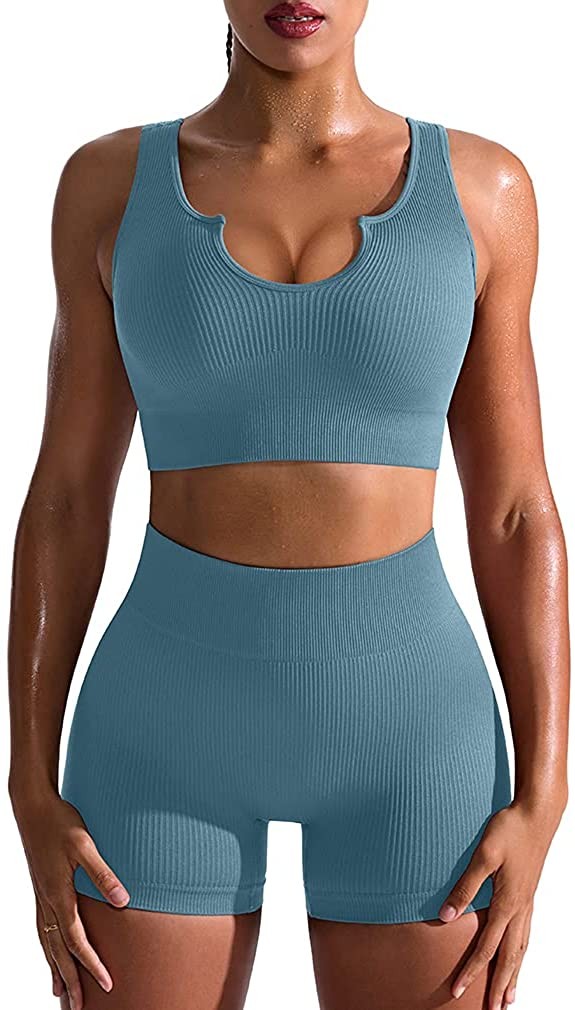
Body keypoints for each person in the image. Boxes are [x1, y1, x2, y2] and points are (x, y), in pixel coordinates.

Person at [8, 2, 569, 1009]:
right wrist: (26, 778)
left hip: (412, 730)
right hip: (159, 724)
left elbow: (515, 512)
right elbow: (65, 499)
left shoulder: (483, 190)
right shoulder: (107, 184)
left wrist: (546, 789)